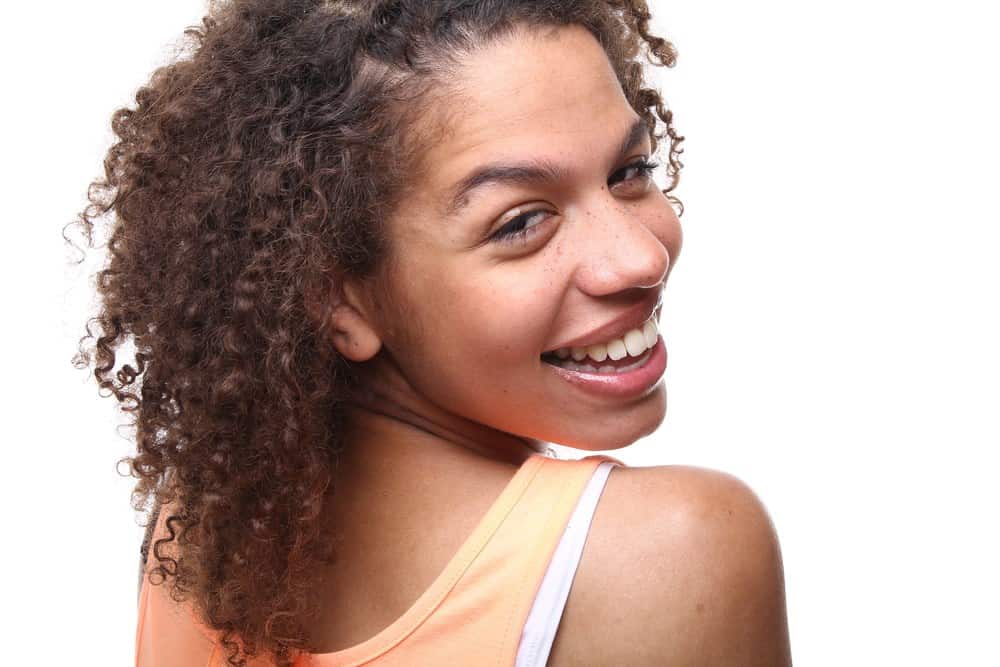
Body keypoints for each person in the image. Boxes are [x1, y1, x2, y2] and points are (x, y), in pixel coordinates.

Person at [71, 0, 792, 664]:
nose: (642, 256)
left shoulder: (207, 534)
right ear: (336, 300)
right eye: (521, 222)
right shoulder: (673, 550)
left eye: (629, 171)